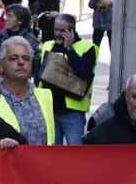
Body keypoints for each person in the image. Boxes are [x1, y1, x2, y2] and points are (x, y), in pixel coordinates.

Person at [38, 13, 98, 145]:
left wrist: (69, 49)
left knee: (75, 151)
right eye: (56, 30)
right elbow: (39, 75)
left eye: (62, 31)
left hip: (72, 112)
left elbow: (83, 72)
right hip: (50, 109)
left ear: (72, 30)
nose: (58, 34)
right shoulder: (48, 45)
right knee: (53, 151)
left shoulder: (87, 48)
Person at [0, 37, 55, 145]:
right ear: (1, 65)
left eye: (26, 58)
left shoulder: (45, 96)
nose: (21, 62)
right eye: (13, 58)